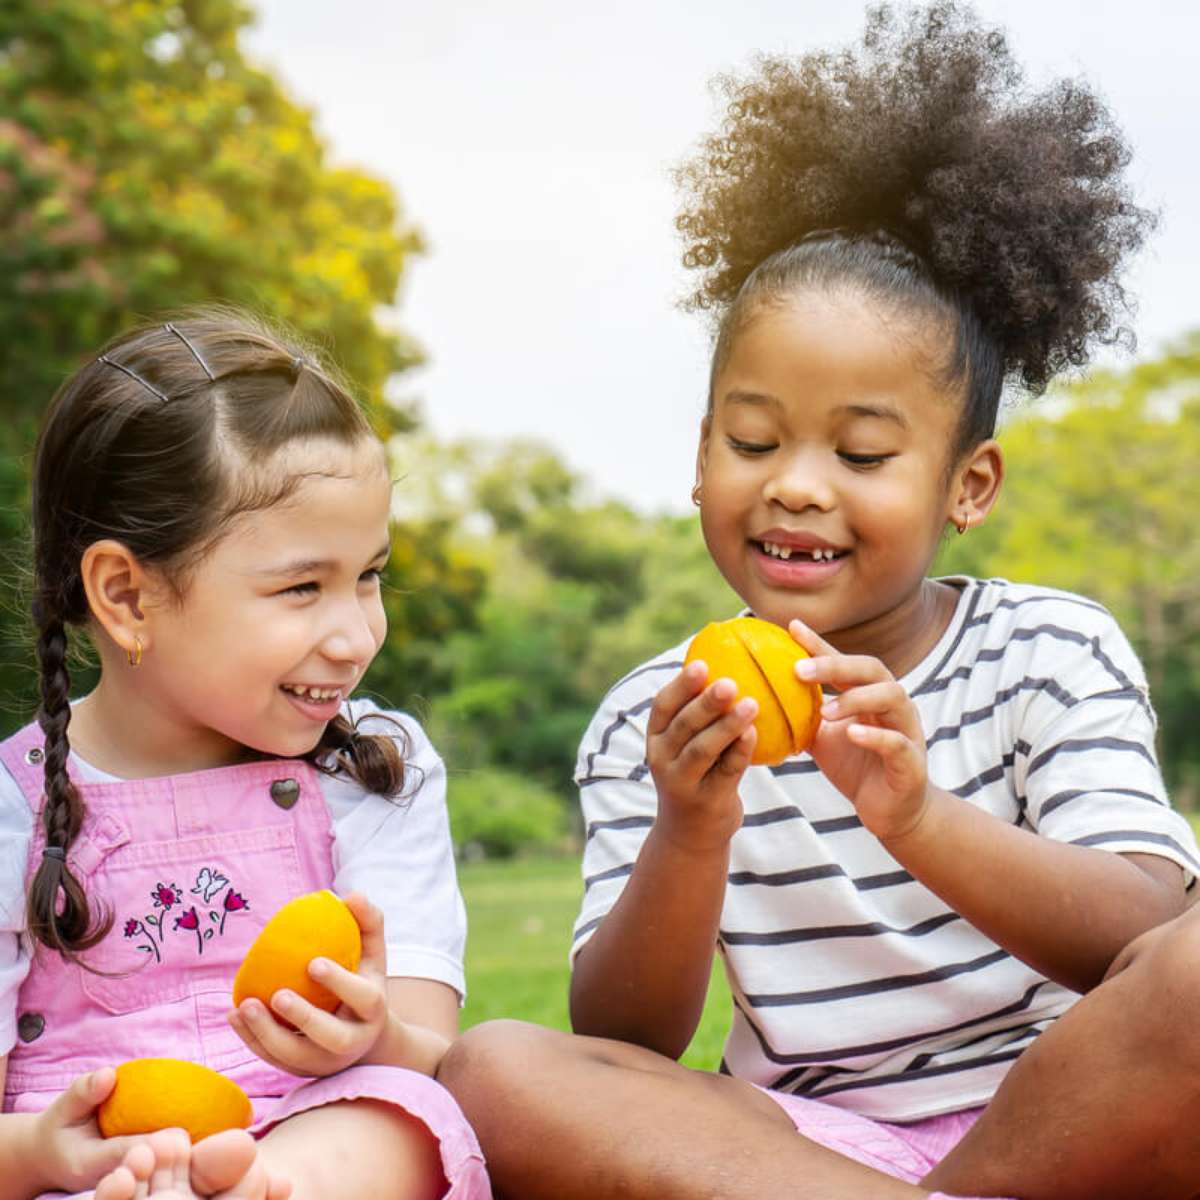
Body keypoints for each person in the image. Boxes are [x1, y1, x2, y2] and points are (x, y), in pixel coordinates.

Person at [436, 5, 1200, 1198]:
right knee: (494, 1070)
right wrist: (693, 826)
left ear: (968, 486)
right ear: (700, 457)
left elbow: (1139, 930)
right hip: (807, 1153)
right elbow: (624, 1041)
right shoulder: (658, 710)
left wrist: (919, 819)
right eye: (754, 439)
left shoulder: (1047, 649)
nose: (795, 485)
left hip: (1070, 1116)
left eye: (861, 455)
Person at [0, 312, 491, 1200]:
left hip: (316, 1149)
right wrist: (39, 1152)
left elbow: (434, 1056)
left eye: (368, 575)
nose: (357, 636)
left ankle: (256, 1190)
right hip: (94, 1172)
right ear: (126, 595)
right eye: (303, 587)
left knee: (395, 1123)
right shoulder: (11, 808)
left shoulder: (374, 769)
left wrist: (371, 1037)